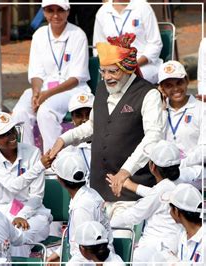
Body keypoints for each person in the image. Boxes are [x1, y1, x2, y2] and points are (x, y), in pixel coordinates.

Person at [49, 32, 164, 219]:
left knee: (123, 241)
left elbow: (153, 138)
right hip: (99, 192)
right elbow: (93, 126)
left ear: (127, 69)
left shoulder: (148, 94)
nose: (107, 77)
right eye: (103, 71)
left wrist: (125, 172)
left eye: (113, 71)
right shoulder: (102, 87)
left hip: (130, 195)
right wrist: (64, 139)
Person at [12, 0, 91, 152]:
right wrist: (36, 93)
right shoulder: (39, 35)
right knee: (20, 111)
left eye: (60, 10)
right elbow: (36, 72)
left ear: (68, 12)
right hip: (44, 88)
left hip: (73, 89)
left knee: (45, 111)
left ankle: (54, 159)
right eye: (50, 11)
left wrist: (46, 94)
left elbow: (76, 78)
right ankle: (30, 157)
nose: (55, 15)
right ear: (44, 12)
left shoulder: (78, 35)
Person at [0, 112, 53, 257]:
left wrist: (22, 215)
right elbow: (12, 186)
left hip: (34, 213)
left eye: (12, 130)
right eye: (5, 134)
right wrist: (39, 166)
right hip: (2, 213)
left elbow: (36, 196)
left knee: (18, 238)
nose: (12, 135)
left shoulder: (33, 152)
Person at [108, 140, 182, 262]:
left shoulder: (161, 189)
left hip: (153, 251)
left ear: (152, 166)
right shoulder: (178, 182)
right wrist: (129, 185)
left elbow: (134, 215)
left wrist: (105, 225)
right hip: (171, 247)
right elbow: (154, 194)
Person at [47, 151, 114, 263]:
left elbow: (86, 250)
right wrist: (58, 253)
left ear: (59, 180)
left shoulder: (82, 207)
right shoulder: (89, 193)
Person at [93, 0, 163, 84]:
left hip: (144, 65)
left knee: (129, 81)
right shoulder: (102, 11)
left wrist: (131, 65)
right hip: (113, 67)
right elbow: (98, 48)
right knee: (108, 84)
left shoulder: (143, 6)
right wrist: (114, 67)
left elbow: (155, 44)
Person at [157, 60, 206, 159]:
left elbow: (203, 150)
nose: (175, 89)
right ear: (162, 88)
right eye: (168, 85)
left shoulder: (202, 109)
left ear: (187, 81)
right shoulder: (158, 111)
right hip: (166, 170)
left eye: (179, 83)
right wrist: (162, 109)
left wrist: (179, 165)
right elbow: (155, 140)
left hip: (194, 170)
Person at [163, 183, 203, 263]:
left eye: (170, 207)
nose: (169, 211)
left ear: (177, 211)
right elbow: (165, 249)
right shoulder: (182, 232)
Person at [60, 91, 95, 182]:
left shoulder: (109, 141)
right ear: (72, 119)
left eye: (88, 115)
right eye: (79, 116)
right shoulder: (66, 149)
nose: (84, 119)